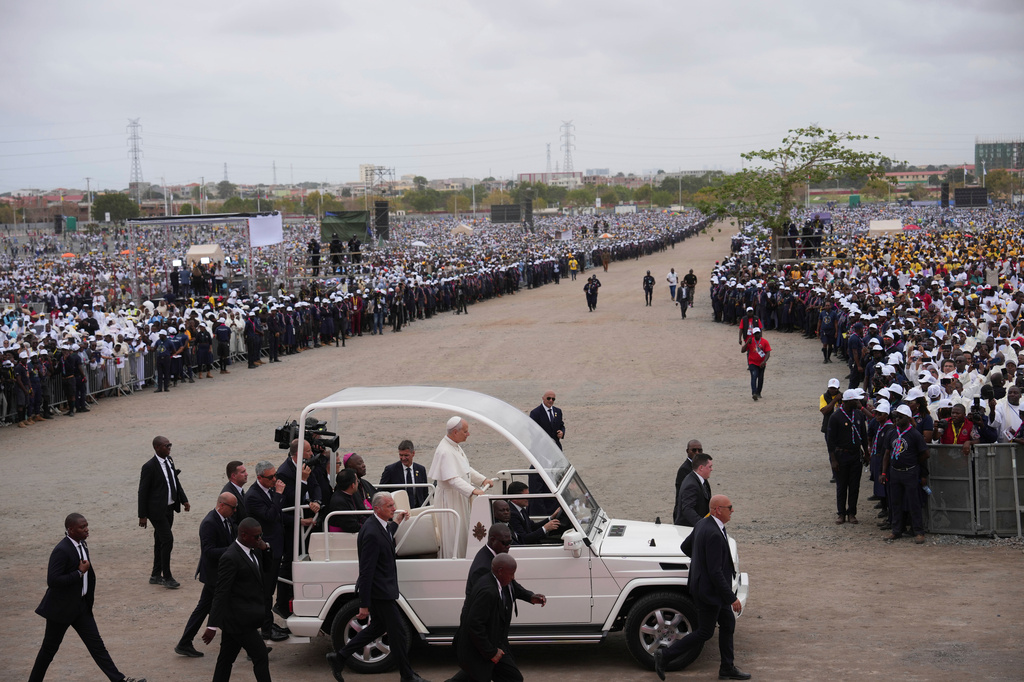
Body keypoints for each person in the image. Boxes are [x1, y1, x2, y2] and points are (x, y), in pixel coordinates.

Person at [28, 513, 147, 682]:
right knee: (48, 650)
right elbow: (53, 581)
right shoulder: (61, 550)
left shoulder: (82, 544)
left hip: (80, 607)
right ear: (70, 530)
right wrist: (79, 573)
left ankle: (120, 680)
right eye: (82, 527)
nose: (86, 529)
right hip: (61, 610)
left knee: (97, 647)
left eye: (86, 526)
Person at [326, 492, 427, 682]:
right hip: (379, 592)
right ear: (377, 509)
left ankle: (339, 657)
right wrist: (363, 604)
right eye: (389, 506)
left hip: (384, 589)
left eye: (393, 504)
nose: (394, 508)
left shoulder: (380, 525)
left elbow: (388, 532)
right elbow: (365, 571)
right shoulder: (371, 533)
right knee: (398, 633)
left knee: (376, 629)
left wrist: (397, 521)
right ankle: (407, 676)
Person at [654, 495, 749, 681]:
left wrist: (701, 562)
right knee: (705, 632)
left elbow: (686, 547)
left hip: (709, 589)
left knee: (728, 623)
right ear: (717, 510)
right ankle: (664, 655)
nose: (733, 510)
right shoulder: (713, 532)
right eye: (729, 507)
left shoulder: (703, 524)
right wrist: (731, 597)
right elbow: (715, 573)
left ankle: (727, 668)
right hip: (709, 592)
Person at [202, 517, 272, 682]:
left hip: (237, 619)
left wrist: (266, 548)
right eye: (257, 536)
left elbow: (267, 569)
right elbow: (221, 592)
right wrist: (212, 625)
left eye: (261, 535)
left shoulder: (254, 549)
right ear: (244, 535)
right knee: (261, 656)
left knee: (225, 660)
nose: (260, 538)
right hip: (240, 620)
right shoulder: (230, 557)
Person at [455, 554, 545, 682]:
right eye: (511, 574)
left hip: (494, 643)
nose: (513, 577)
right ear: (500, 571)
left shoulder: (500, 580)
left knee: (511, 677)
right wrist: (491, 652)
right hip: (480, 648)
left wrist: (530, 596)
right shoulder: (488, 591)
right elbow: (474, 625)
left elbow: (514, 587)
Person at [176, 492, 238, 658]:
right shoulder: (209, 523)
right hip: (214, 575)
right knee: (214, 608)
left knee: (207, 608)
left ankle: (185, 642)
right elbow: (209, 551)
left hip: (221, 573)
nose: (235, 511)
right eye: (233, 508)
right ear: (222, 505)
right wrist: (233, 550)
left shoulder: (227, 519)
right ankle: (245, 641)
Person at [427, 417, 493, 558]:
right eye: (465, 431)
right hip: (450, 500)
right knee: (453, 535)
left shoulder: (455, 445)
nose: (468, 434)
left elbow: (465, 468)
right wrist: (473, 490)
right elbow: (452, 479)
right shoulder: (444, 450)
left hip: (460, 496)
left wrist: (482, 480)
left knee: (464, 531)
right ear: (455, 432)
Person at [244, 460, 290, 643]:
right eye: (271, 477)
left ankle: (268, 624)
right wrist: (279, 494)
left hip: (275, 546)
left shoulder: (269, 490)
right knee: (265, 592)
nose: (275, 479)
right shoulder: (253, 496)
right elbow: (270, 516)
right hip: (264, 551)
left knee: (269, 589)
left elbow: (278, 514)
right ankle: (266, 629)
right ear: (259, 477)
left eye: (275, 475)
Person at [138, 435, 190, 589]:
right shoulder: (149, 467)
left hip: (170, 508)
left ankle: (155, 575)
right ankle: (167, 577)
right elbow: (142, 492)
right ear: (157, 448)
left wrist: (184, 500)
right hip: (156, 511)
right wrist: (142, 515)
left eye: (170, 445)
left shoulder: (170, 460)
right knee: (167, 540)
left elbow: (175, 481)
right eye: (166, 446)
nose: (169, 448)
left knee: (160, 540)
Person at [882, 405, 930, 544]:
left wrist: (913, 462)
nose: (897, 418)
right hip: (895, 472)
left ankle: (918, 531)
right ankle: (896, 530)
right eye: (896, 416)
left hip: (910, 472)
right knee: (895, 502)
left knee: (913, 502)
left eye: (900, 416)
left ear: (908, 418)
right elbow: (886, 453)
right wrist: (884, 472)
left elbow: (925, 454)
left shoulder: (914, 434)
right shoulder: (892, 433)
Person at [827, 389, 868, 525]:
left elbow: (864, 435)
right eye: (855, 400)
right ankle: (841, 513)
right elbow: (830, 440)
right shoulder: (836, 417)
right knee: (842, 486)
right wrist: (833, 459)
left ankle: (852, 513)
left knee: (854, 486)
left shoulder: (858, 415)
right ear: (847, 401)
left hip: (855, 455)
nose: (858, 402)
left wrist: (866, 453)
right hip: (841, 455)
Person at [379, 439, 429, 508]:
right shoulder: (390, 470)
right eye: (401, 455)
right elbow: (381, 492)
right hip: (398, 510)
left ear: (413, 453)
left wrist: (426, 510)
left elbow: (425, 494)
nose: (403, 458)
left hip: (418, 509)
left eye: (406, 455)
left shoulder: (421, 470)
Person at [674, 453, 713, 527]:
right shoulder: (691, 485)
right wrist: (702, 525)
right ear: (701, 467)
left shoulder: (698, 479)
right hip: (688, 528)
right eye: (710, 467)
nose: (712, 469)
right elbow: (687, 509)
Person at [673, 440, 703, 523]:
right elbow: (685, 496)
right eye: (694, 450)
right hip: (686, 517)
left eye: (699, 450)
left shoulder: (699, 468)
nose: (697, 453)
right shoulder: (684, 470)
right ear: (687, 451)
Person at [819, 379, 842, 483]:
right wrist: (834, 400)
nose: (832, 390)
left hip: (841, 428)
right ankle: (835, 474)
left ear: (838, 388)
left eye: (834, 388)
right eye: (831, 388)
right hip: (828, 427)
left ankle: (841, 472)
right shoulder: (824, 397)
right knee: (831, 451)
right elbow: (824, 411)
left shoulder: (843, 397)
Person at [741, 327, 771, 401]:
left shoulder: (765, 342)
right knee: (754, 377)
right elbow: (742, 350)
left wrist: (764, 361)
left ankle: (758, 392)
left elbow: (768, 353)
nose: (757, 335)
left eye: (758, 333)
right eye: (756, 334)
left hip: (761, 363)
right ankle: (754, 393)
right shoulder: (751, 341)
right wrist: (747, 342)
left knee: (760, 378)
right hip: (752, 362)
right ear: (753, 334)